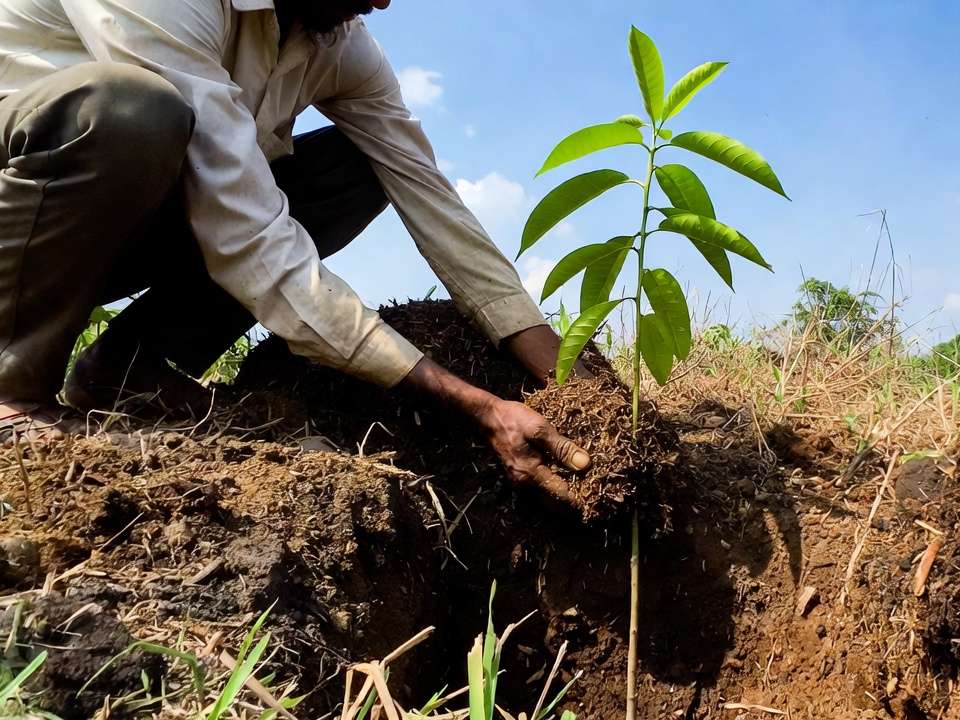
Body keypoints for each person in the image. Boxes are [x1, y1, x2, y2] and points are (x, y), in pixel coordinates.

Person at [0, 0, 591, 501]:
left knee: (359, 166)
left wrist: (568, 378)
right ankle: (11, 391)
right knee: (128, 107)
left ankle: (129, 371)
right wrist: (477, 405)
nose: (383, 3)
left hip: (127, 220)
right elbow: (245, 227)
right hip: (27, 213)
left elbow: (430, 196)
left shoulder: (334, 36)